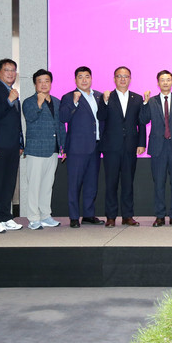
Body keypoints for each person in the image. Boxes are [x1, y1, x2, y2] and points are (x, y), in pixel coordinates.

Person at [97, 66, 146, 228]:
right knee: (111, 183)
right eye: (119, 76)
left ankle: (127, 216)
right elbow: (101, 117)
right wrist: (104, 102)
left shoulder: (137, 98)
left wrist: (141, 143)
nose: (123, 79)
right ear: (114, 79)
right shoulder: (106, 97)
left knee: (128, 182)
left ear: (130, 79)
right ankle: (111, 217)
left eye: (126, 76)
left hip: (130, 146)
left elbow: (141, 123)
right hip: (111, 147)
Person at [141, 70, 172, 227]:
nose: (165, 82)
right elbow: (143, 119)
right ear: (158, 83)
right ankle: (160, 216)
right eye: (162, 80)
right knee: (159, 183)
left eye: (168, 79)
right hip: (158, 148)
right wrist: (144, 103)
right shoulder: (151, 101)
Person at [59, 66, 103, 228]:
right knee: (74, 184)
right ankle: (73, 216)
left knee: (92, 183)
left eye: (87, 76)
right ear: (75, 79)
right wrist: (74, 103)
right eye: (80, 77)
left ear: (91, 78)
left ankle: (89, 215)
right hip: (77, 148)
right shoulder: (68, 97)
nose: (84, 80)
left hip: (96, 146)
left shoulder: (99, 96)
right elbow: (63, 117)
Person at [21, 69, 66, 230]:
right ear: (35, 84)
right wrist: (39, 103)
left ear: (51, 83)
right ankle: (33, 218)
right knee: (34, 186)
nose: (43, 84)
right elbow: (30, 117)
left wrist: (63, 146)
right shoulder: (29, 101)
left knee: (47, 185)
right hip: (36, 150)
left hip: (53, 149)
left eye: (46, 81)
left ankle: (45, 215)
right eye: (40, 81)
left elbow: (60, 125)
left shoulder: (57, 101)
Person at [0, 58, 24, 233]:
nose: (10, 73)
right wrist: (9, 100)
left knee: (9, 183)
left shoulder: (13, 92)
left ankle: (6, 216)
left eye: (13, 70)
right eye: (7, 70)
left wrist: (21, 142)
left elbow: (16, 122)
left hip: (13, 146)